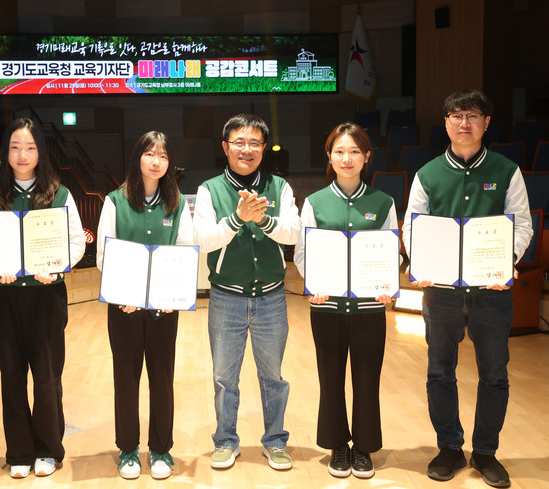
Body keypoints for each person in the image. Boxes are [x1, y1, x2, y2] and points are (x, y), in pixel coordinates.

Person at [402, 89, 532, 488]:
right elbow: (412, 227)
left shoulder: (506, 171)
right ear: (445, 122)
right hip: (441, 292)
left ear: (486, 123)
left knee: (494, 374)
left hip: (491, 291)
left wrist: (505, 262)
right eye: (456, 115)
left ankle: (486, 452)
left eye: (473, 115)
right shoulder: (427, 174)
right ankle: (449, 448)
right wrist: (420, 263)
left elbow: (522, 224)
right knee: (440, 371)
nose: (464, 123)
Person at [0, 117, 85, 479]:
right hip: (3, 301)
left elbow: (76, 241)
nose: (22, 155)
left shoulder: (58, 193)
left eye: (30, 147)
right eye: (15, 147)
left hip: (46, 299)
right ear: (6, 152)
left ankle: (48, 450)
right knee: (11, 377)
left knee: (47, 378)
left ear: (41, 152)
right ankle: (19, 452)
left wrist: (58, 266)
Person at [192, 113, 301, 470]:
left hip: (271, 296)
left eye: (255, 142)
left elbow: (293, 232)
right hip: (226, 296)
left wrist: (262, 219)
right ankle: (225, 441)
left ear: (264, 148)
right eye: (239, 142)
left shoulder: (279, 187)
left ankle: (275, 441)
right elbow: (202, 240)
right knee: (225, 378)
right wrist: (238, 218)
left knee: (273, 377)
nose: (247, 149)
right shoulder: (209, 190)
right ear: (225, 147)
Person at [293, 122, 397, 479]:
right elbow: (303, 252)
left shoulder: (383, 202)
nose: (347, 158)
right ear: (329, 156)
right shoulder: (315, 202)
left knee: (367, 378)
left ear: (367, 156)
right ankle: (338, 444)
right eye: (339, 151)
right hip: (327, 306)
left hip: (369, 307)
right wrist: (314, 283)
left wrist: (387, 285)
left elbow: (391, 251)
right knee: (330, 378)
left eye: (354, 151)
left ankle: (364, 447)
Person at [95, 131, 193, 480]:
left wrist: (172, 294)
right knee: (126, 377)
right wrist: (123, 294)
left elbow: (185, 249)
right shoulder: (115, 201)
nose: (156, 161)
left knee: (162, 377)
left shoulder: (176, 203)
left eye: (163, 156)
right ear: (138, 157)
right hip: (124, 306)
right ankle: (128, 449)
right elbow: (104, 253)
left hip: (164, 308)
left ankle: (161, 448)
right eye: (150, 154)